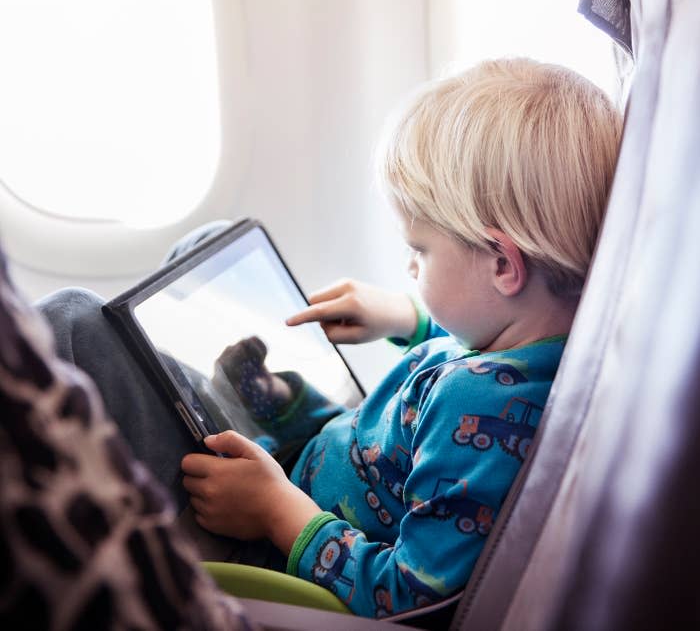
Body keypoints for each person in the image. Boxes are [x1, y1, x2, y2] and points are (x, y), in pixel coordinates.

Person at [40, 58, 622, 620]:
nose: (410, 267)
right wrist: (407, 320)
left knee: (77, 326)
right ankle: (260, 399)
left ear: (502, 265)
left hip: (265, 541)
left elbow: (406, 597)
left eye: (420, 249)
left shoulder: (475, 409)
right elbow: (475, 352)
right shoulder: (555, 347)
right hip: (313, 455)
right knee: (208, 250)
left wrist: (273, 510)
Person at [0, 246, 257, 630]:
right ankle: (201, 387)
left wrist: (276, 509)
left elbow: (382, 585)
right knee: (210, 242)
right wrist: (287, 397)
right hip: (308, 453)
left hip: (273, 535)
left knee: (73, 315)